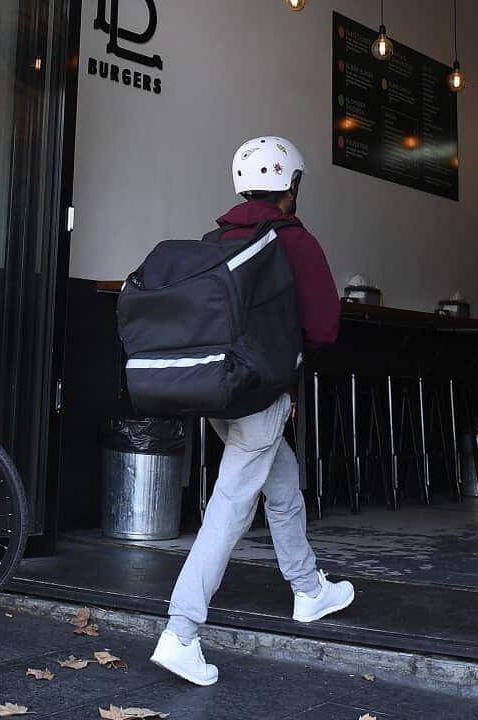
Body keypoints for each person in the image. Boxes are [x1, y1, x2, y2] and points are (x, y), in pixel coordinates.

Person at [150, 136, 354, 686]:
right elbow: (324, 326)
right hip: (262, 394)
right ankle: (181, 631)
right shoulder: (294, 241)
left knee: (282, 484)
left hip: (221, 394)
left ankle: (308, 589)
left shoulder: (218, 239)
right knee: (231, 507)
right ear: (292, 185)